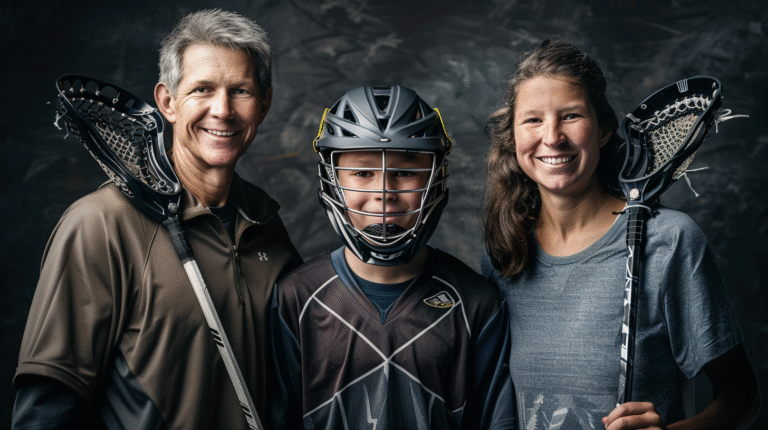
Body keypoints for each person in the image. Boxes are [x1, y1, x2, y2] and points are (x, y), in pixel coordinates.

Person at [12, 9, 302, 429]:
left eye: (240, 90)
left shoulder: (264, 222)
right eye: (202, 89)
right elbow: (47, 408)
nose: (222, 110)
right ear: (167, 102)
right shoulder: (99, 225)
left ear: (264, 104)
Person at [481, 39, 760, 430]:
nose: (553, 137)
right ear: (512, 136)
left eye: (571, 116)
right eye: (532, 120)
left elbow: (741, 396)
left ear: (604, 129)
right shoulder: (504, 252)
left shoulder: (669, 241)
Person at [270, 85, 516, 429]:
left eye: (404, 172)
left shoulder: (475, 302)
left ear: (434, 178)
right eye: (362, 173)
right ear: (332, 178)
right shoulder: (296, 297)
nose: (383, 194)